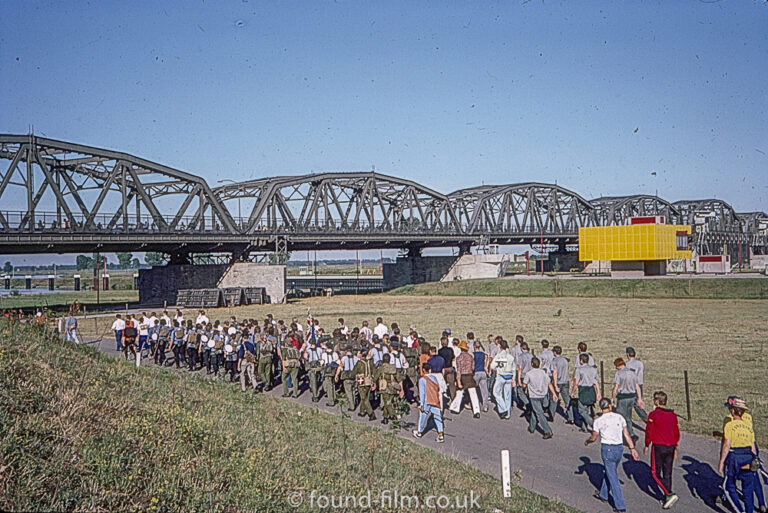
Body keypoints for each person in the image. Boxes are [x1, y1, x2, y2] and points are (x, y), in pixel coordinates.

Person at [585, 397, 641, 513]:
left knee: (613, 477)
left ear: (601, 407)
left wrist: (588, 441)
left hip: (608, 449)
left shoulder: (598, 421)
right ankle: (603, 495)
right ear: (610, 405)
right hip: (619, 449)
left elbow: (594, 437)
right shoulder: (619, 417)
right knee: (610, 472)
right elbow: (626, 434)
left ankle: (620, 505)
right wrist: (632, 448)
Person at [719, 397, 761, 513]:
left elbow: (727, 445)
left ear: (733, 411)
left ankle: (738, 509)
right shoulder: (749, 427)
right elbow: (753, 447)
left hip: (735, 457)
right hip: (748, 457)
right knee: (748, 490)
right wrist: (755, 460)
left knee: (729, 486)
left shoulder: (730, 426)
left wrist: (721, 462)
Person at [644, 390, 680, 509]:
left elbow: (649, 431)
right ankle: (666, 497)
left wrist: (646, 444)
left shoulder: (654, 415)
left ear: (657, 402)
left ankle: (669, 494)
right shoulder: (673, 415)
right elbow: (676, 432)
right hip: (670, 447)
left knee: (655, 473)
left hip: (658, 446)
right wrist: (675, 446)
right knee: (667, 472)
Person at [612, 357, 645, 442]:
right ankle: (631, 433)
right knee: (628, 416)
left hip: (623, 397)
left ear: (618, 365)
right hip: (632, 397)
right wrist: (639, 398)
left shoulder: (619, 373)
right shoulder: (632, 373)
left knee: (620, 417)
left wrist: (612, 397)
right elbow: (637, 386)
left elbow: (616, 387)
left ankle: (624, 435)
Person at [523, 357, 556, 439]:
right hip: (543, 395)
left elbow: (524, 384)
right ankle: (532, 427)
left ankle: (547, 430)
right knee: (536, 410)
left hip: (534, 396)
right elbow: (549, 384)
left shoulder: (529, 374)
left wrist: (524, 389)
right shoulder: (543, 373)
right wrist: (554, 394)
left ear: (532, 364)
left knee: (539, 413)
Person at [413, 363, 445, 443]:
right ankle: (440, 434)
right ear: (430, 370)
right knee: (437, 417)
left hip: (427, 401)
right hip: (434, 399)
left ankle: (419, 432)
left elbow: (422, 393)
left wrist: (421, 404)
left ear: (423, 370)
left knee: (423, 416)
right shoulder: (434, 378)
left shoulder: (422, 380)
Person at [449, 340, 481, 418]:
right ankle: (476, 411)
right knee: (473, 394)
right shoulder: (470, 357)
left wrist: (458, 381)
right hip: (470, 375)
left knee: (460, 392)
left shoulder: (459, 358)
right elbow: (473, 367)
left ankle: (455, 408)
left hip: (463, 376)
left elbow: (459, 370)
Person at [572, 353, 601, 432]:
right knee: (587, 409)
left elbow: (576, 382)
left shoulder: (579, 370)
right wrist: (598, 392)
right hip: (591, 390)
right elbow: (596, 382)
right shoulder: (593, 369)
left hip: (583, 390)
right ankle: (584, 427)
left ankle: (592, 424)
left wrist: (572, 392)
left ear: (581, 361)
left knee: (581, 410)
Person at [491, 339, 516, 419]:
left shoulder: (499, 356)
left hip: (501, 376)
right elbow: (514, 368)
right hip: (509, 377)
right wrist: (514, 379)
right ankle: (507, 414)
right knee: (508, 396)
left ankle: (503, 408)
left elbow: (492, 366)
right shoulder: (510, 357)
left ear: (500, 347)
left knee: (496, 393)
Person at [375, 353, 402, 425]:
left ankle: (394, 418)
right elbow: (399, 379)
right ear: (389, 360)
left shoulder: (381, 368)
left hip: (384, 387)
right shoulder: (393, 368)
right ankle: (385, 418)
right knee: (389, 402)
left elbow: (375, 377)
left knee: (387, 404)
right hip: (393, 387)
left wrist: (374, 383)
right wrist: (401, 389)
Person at [550, 345, 574, 424]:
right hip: (565, 381)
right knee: (567, 400)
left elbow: (555, 373)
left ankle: (551, 415)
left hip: (558, 382)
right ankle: (571, 417)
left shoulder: (554, 361)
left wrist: (555, 384)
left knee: (554, 399)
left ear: (555, 352)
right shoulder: (565, 360)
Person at [625, 347, 649, 422]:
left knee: (634, 405)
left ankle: (646, 420)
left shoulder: (628, 364)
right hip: (640, 384)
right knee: (638, 403)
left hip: (632, 386)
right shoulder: (640, 363)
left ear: (628, 355)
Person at [353, 348, 376, 421]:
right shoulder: (370, 362)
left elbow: (354, 372)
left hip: (362, 381)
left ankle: (371, 413)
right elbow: (374, 372)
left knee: (364, 398)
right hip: (369, 380)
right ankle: (362, 411)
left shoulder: (359, 363)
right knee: (366, 396)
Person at [336, 345, 360, 411]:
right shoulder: (356, 358)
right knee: (353, 390)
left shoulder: (344, 358)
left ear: (346, 351)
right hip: (354, 376)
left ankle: (352, 406)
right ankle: (354, 402)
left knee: (348, 392)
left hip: (346, 377)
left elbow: (340, 367)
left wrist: (337, 375)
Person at [304, 337, 324, 402]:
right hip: (319, 367)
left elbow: (305, 357)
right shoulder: (319, 349)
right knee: (317, 379)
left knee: (313, 381)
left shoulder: (308, 350)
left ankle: (315, 396)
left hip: (312, 368)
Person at [516, 341, 533, 413]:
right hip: (531, 374)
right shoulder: (531, 355)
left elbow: (520, 368)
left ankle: (527, 403)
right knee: (529, 391)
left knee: (520, 391)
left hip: (524, 375)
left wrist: (518, 379)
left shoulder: (521, 356)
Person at [321, 341, 340, 406]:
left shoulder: (324, 354)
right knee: (333, 385)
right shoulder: (335, 354)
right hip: (333, 371)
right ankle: (334, 398)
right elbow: (338, 362)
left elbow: (322, 362)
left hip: (327, 371)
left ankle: (331, 401)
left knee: (329, 386)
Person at [473, 339, 489, 412]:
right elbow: (487, 358)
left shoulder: (473, 354)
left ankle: (474, 404)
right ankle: (485, 406)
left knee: (473, 390)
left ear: (474, 347)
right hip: (483, 372)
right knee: (484, 391)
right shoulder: (483, 354)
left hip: (476, 372)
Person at [439, 337, 457, 404]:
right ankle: (453, 399)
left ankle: (443, 397)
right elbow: (453, 357)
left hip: (443, 368)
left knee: (442, 383)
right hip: (450, 367)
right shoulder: (450, 350)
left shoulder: (440, 351)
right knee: (452, 384)